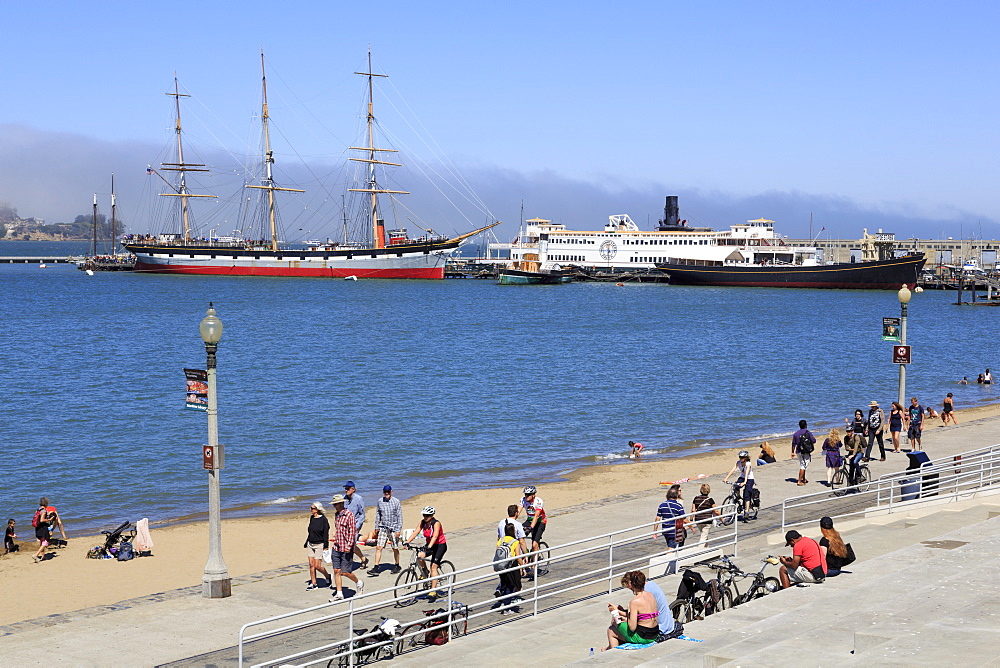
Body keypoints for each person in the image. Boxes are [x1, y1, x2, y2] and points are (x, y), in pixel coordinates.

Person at [602, 571, 660, 650]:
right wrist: (620, 612)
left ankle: (611, 651)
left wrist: (616, 613)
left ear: (631, 584)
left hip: (643, 637)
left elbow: (632, 628)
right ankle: (609, 648)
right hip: (654, 634)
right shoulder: (650, 595)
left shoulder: (635, 602)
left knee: (612, 628)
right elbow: (643, 616)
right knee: (619, 623)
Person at [406, 506, 448, 599]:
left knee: (433, 566)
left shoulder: (436, 523)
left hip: (440, 545)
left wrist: (429, 547)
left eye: (428, 515)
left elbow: (435, 536)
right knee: (419, 556)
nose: (425, 517)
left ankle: (433, 590)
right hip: (430, 544)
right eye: (424, 515)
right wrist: (407, 542)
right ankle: (425, 571)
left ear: (432, 516)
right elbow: (416, 532)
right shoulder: (422, 522)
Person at [328, 494, 364, 601]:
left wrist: (349, 546)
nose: (335, 506)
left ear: (341, 503)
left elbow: (352, 532)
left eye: (336, 504)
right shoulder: (337, 515)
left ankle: (359, 583)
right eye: (334, 504)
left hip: (346, 548)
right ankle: (339, 593)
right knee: (336, 570)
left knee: (345, 572)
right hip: (337, 546)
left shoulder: (349, 515)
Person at [367, 485, 403, 576]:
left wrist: (398, 530)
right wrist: (376, 527)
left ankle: (397, 565)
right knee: (379, 547)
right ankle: (376, 567)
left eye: (388, 491)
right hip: (383, 527)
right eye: (385, 492)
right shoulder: (380, 501)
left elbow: (399, 516)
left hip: (393, 528)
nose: (386, 493)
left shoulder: (396, 501)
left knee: (395, 548)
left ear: (391, 492)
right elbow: (378, 514)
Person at [494, 522, 524, 614]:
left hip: (502, 565)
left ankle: (503, 601)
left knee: (504, 584)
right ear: (513, 531)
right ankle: (506, 608)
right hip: (511, 566)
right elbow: (518, 557)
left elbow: (497, 553)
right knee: (511, 586)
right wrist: (523, 566)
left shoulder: (501, 540)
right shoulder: (515, 542)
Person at [304, 502, 332, 590]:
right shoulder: (312, 518)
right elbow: (311, 531)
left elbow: (325, 533)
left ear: (317, 509)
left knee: (317, 566)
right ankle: (314, 583)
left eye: (312, 508)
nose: (310, 510)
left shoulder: (323, 520)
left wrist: (326, 546)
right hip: (310, 544)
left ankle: (328, 577)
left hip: (319, 544)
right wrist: (306, 542)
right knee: (311, 565)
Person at [520, 486, 547, 576]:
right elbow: (518, 511)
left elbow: (536, 515)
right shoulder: (523, 500)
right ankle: (527, 554)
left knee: (534, 544)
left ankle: (533, 568)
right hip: (529, 520)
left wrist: (531, 527)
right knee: (519, 536)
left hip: (540, 522)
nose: (526, 496)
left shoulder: (538, 501)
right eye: (525, 494)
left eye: (528, 495)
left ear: (533, 495)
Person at [722, 450, 755, 521]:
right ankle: (738, 496)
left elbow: (747, 473)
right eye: (740, 457)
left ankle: (747, 511)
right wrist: (726, 478)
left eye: (742, 457)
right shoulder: (738, 463)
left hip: (749, 479)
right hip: (742, 477)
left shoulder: (748, 464)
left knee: (746, 494)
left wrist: (745, 482)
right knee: (735, 487)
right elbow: (732, 470)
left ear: (746, 458)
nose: (740, 458)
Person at [342, 481, 367, 568]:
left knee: (351, 544)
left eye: (348, 489)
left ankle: (347, 565)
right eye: (345, 489)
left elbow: (362, 514)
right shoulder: (344, 498)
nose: (346, 490)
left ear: (353, 489)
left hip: (355, 525)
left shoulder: (358, 499)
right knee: (347, 544)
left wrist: (357, 526)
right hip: (345, 525)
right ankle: (363, 558)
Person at [791, 420, 816, 486]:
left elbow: (793, 444)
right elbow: (814, 440)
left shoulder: (796, 434)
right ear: (806, 425)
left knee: (802, 464)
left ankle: (803, 479)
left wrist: (792, 452)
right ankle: (799, 481)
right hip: (806, 451)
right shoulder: (808, 432)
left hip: (799, 451)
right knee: (803, 466)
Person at [32, 499, 54, 563]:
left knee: (42, 541)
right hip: (43, 528)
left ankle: (43, 555)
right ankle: (36, 555)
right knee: (46, 542)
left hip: (38, 527)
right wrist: (49, 519)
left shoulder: (38, 510)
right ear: (46, 503)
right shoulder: (44, 510)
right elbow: (42, 520)